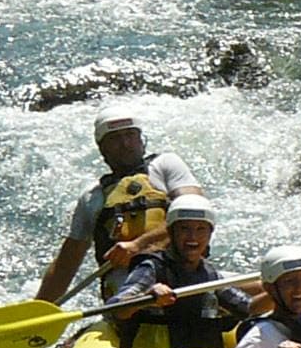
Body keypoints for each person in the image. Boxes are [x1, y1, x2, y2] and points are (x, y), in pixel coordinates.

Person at [109, 193, 262, 348]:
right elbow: (118, 307)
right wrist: (146, 298)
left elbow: (248, 310)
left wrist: (279, 290)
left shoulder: (209, 275)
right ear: (171, 233)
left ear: (210, 235)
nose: (193, 237)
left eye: (201, 229)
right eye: (185, 229)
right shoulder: (152, 269)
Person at [36, 110, 200, 304]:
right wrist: (39, 308)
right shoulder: (92, 198)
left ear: (141, 139)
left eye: (130, 135)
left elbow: (195, 214)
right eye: (115, 138)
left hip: (186, 278)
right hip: (126, 290)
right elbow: (65, 267)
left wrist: (137, 246)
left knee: (244, 293)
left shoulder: (166, 166)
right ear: (102, 148)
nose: (125, 144)